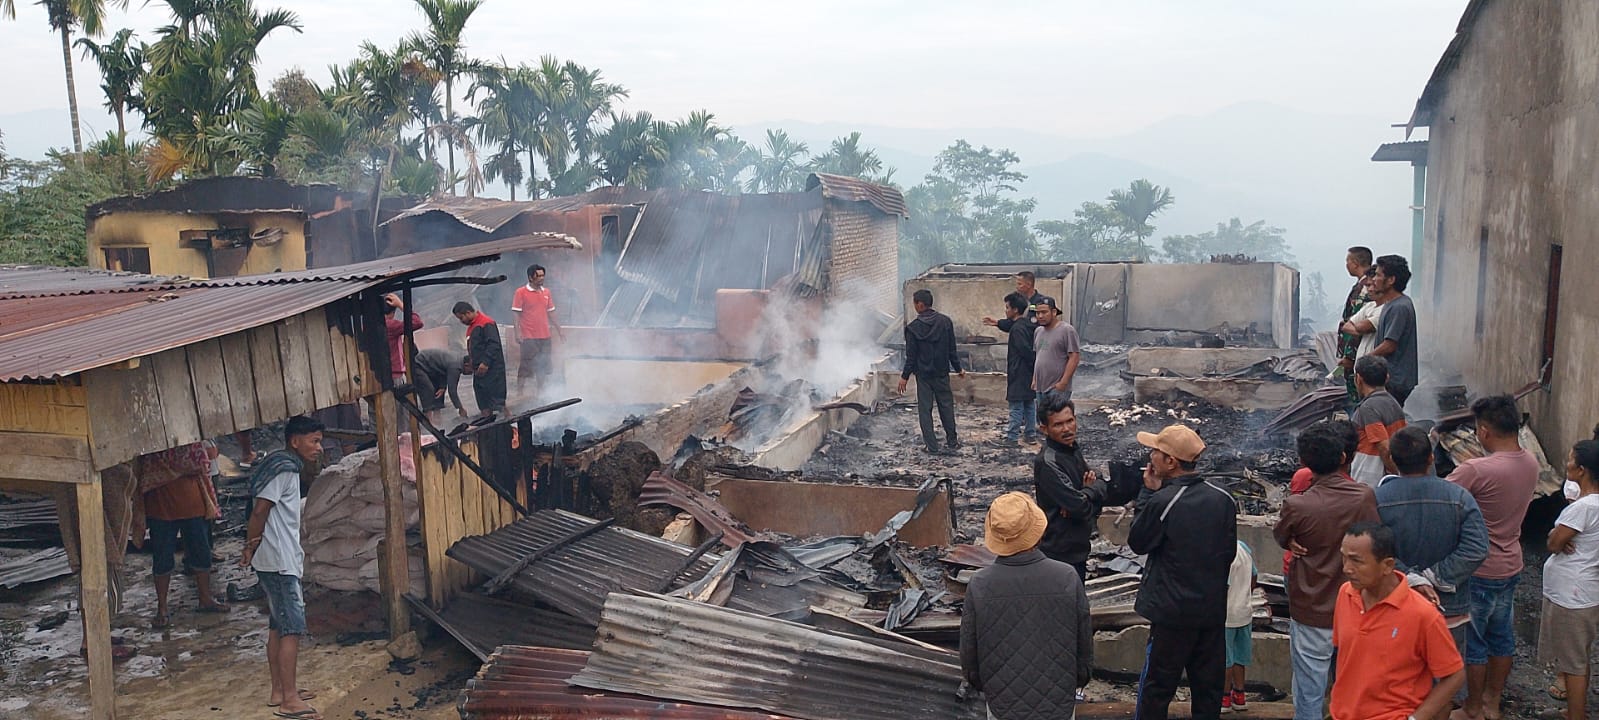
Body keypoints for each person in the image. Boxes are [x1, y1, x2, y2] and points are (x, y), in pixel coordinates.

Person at [1128, 424, 1237, 720]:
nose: (1151, 457)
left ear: (1171, 462)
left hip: (1172, 615)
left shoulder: (1164, 501)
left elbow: (1138, 542)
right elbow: (1229, 553)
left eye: (1156, 452)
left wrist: (1147, 494)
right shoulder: (1223, 498)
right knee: (1208, 690)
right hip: (1211, 613)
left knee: (1157, 689)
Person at [1273, 421, 1379, 720]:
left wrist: (1293, 540)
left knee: (1309, 688)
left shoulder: (1298, 505)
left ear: (1304, 463)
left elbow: (1281, 536)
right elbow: (1376, 539)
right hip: (1356, 606)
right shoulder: (1364, 497)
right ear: (1344, 458)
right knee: (1352, 681)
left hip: (1311, 606)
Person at [1447, 396, 1540, 720]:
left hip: (1478, 568)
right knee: (1501, 636)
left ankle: (1472, 706)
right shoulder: (1531, 463)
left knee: (1473, 641)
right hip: (1510, 563)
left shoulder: (1476, 469)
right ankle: (1492, 702)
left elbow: (1444, 502)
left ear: (1484, 431)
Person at [960, 492, 1092, 720]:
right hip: (1058, 703)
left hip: (1003, 705)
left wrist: (990, 688)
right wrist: (1076, 681)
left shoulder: (980, 584)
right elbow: (1084, 647)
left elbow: (970, 658)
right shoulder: (1067, 577)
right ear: (1038, 531)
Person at [1331, 522, 1465, 720]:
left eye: (1356, 561)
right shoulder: (1346, 594)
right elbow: (1344, 655)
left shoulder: (1423, 615)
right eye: (1344, 558)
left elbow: (1454, 675)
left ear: (1387, 565)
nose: (1346, 569)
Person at [1375, 426, 1488, 652]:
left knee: (1400, 676)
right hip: (1448, 607)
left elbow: (1372, 549)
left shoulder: (1376, 500)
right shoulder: (1459, 497)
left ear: (1392, 460)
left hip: (1394, 604)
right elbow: (1477, 548)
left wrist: (1412, 579)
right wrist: (1435, 577)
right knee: (1448, 676)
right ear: (1431, 458)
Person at [243, 416, 325, 719]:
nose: (319, 447)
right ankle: (290, 700)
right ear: (295, 441)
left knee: (277, 626)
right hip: (279, 560)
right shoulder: (285, 469)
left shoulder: (280, 466)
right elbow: (261, 509)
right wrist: (250, 545)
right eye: (314, 441)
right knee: (291, 627)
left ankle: (280, 689)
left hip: (274, 557)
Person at [1539, 430, 1599, 720]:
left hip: (1573, 593)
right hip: (1585, 591)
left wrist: (1556, 534)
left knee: (1573, 660)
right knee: (1578, 655)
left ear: (1582, 470)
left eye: (1571, 459)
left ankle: (1576, 715)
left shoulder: (1582, 508)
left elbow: (1553, 542)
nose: (1567, 463)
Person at [139, 443, 226, 628]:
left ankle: (199, 599)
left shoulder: (158, 448)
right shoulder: (160, 444)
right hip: (170, 504)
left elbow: (207, 456)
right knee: (167, 558)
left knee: (197, 553)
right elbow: (207, 456)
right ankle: (166, 607)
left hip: (183, 503)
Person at [1032, 395, 1110, 579]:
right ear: (1045, 429)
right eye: (1058, 424)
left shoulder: (1072, 448)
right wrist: (1087, 496)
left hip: (1078, 547)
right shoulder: (1048, 462)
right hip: (1059, 552)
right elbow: (1080, 507)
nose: (1067, 429)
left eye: (1070, 421)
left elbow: (1101, 485)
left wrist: (1087, 493)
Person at [898, 288, 963, 454]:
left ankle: (932, 447)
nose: (914, 306)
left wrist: (904, 377)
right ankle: (952, 442)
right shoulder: (945, 322)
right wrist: (958, 368)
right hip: (942, 373)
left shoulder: (913, 328)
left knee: (925, 410)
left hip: (924, 376)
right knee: (946, 407)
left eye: (914, 303)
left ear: (920, 305)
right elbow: (951, 350)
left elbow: (911, 357)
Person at [986, 292, 1037, 447]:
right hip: (1028, 372)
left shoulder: (1017, 329)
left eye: (1007, 307)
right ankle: (1030, 434)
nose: (1005, 310)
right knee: (1029, 403)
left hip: (1019, 371)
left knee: (1016, 405)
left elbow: (1024, 350)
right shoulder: (1028, 325)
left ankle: (1012, 437)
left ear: (1015, 310)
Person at [1366, 255, 1418, 406]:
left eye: (1378, 275)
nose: (1374, 279)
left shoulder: (1399, 307)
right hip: (1392, 378)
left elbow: (1390, 345)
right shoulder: (1392, 304)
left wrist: (1366, 360)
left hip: (1395, 379)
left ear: (1391, 280)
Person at [1348, 355, 1407, 487]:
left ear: (1358, 379)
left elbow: (1384, 447)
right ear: (1387, 378)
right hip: (1387, 477)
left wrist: (1399, 473)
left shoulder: (1368, 408)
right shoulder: (1394, 403)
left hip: (1370, 478)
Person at [511, 264, 562, 398]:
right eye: (538, 276)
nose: (541, 278)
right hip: (528, 336)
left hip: (545, 335)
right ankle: (520, 391)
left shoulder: (546, 292)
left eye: (542, 275)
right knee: (526, 364)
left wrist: (559, 330)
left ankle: (540, 391)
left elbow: (551, 313)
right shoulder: (520, 292)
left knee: (543, 364)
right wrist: (517, 332)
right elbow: (516, 313)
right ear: (530, 277)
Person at [453, 301, 507, 416]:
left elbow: (494, 344)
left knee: (498, 404)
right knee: (483, 404)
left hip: (493, 371)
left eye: (461, 317)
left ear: (468, 313)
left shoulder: (486, 323)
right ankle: (488, 430)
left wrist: (485, 362)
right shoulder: (472, 327)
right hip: (479, 372)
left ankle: (510, 427)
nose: (461, 321)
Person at [1336, 247, 1374, 403]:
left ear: (1356, 263)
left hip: (1357, 357)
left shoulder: (1365, 290)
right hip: (1357, 356)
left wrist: (1350, 357)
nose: (1346, 265)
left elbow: (1357, 327)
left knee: (1357, 400)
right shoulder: (1362, 286)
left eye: (1348, 261)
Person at [1223, 540, 1256, 713]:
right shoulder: (1244, 547)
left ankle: (1224, 697)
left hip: (1227, 615)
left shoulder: (1223, 551)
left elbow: (1224, 585)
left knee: (1225, 658)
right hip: (1244, 611)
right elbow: (1254, 575)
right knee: (1239, 657)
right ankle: (1240, 696)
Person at [1031, 297, 1080, 403]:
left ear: (1054, 312)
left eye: (1044, 312)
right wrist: (1035, 379)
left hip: (1057, 389)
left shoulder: (1066, 330)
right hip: (1040, 388)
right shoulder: (1038, 331)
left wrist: (1063, 383)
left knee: (1056, 418)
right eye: (1037, 313)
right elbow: (1039, 356)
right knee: (1042, 419)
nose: (1040, 316)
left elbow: (1074, 357)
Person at [412, 348, 466, 419]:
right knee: (428, 389)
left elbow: (443, 370)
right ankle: (428, 420)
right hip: (419, 364)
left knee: (440, 391)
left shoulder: (457, 361)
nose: (471, 373)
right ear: (466, 365)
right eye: (471, 370)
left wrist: (443, 386)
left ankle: (437, 418)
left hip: (432, 369)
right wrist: (460, 408)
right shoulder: (456, 366)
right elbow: (452, 391)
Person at [382, 292, 423, 383]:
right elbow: (417, 322)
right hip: (394, 374)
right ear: (393, 312)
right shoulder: (390, 325)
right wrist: (400, 304)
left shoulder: (369, 326)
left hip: (379, 374)